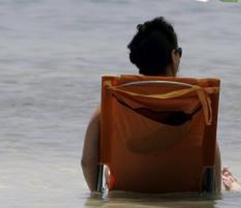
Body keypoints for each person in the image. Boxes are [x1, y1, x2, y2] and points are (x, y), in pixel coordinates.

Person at [81, 17, 227, 193]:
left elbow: (87, 162)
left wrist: (98, 195)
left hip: (128, 195)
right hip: (184, 197)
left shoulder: (112, 102)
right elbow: (212, 171)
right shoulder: (198, 102)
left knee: (107, 173)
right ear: (174, 55)